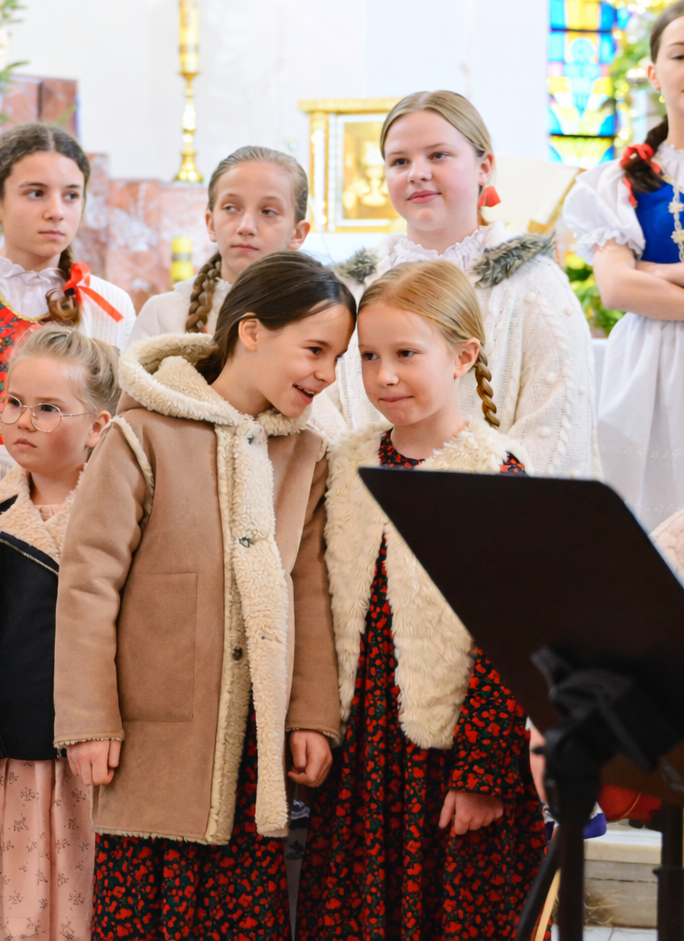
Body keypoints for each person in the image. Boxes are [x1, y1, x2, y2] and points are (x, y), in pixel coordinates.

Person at [57, 252, 350, 939]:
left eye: (338, 358)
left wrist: (313, 715)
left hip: (253, 752)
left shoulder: (306, 455)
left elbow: (309, 591)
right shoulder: (142, 435)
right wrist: (89, 718)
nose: (328, 375)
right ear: (252, 332)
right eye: (315, 350)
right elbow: (88, 584)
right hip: (150, 747)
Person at [297, 260, 546, 939]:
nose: (385, 376)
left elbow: (513, 638)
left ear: (463, 356)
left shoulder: (496, 474)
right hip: (360, 757)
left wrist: (484, 774)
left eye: (406, 354)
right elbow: (312, 600)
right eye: (369, 356)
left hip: (452, 758)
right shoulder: (343, 464)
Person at [311, 90, 598, 478]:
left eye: (438, 155)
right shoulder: (350, 287)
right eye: (399, 161)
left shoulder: (534, 283)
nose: (417, 173)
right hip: (363, 501)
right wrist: (361, 488)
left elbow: (558, 422)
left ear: (484, 167)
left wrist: (480, 504)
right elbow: (321, 403)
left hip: (497, 506)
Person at [0, 326, 118, 941]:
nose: (23, 421)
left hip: (97, 758)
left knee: (92, 907)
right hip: (12, 758)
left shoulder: (123, 518)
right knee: (16, 911)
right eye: (13, 402)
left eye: (49, 408)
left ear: (99, 425)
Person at [0, 123, 136, 488]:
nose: (56, 211)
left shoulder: (109, 306)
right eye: (36, 193)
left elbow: (119, 422)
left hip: (71, 495)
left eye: (71, 195)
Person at [564, 0, 684, 528]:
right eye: (680, 55)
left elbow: (632, 278)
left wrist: (653, 272)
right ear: (655, 74)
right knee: (648, 523)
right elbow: (616, 290)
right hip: (646, 370)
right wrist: (638, 279)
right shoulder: (615, 181)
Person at [132, 145, 311, 342]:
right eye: (231, 208)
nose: (246, 227)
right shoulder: (162, 315)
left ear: (298, 234)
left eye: (268, 211)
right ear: (211, 224)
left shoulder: (318, 317)